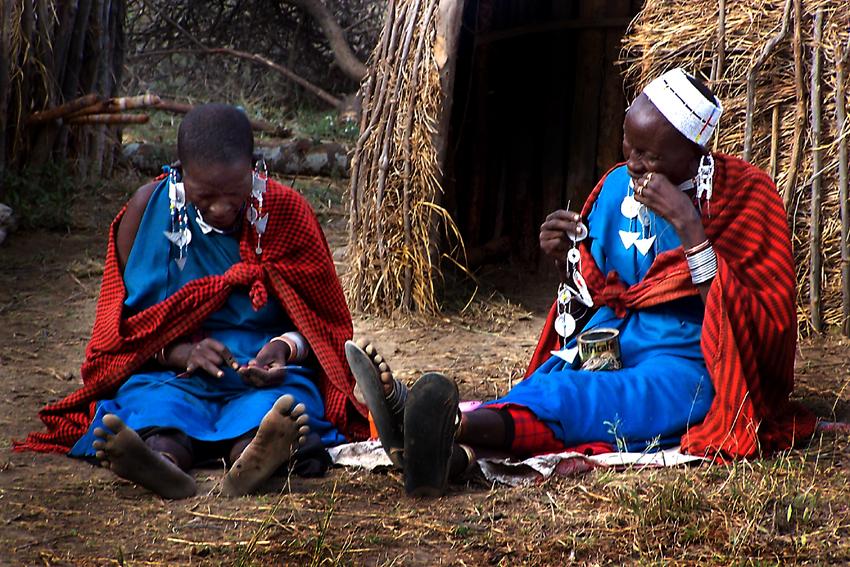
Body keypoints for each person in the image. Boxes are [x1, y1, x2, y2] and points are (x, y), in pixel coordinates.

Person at [346, 68, 816, 497]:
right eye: (628, 146)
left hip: (694, 363)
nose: (631, 163)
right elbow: (594, 289)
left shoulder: (746, 196)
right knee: (545, 388)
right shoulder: (616, 187)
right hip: (615, 341)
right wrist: (566, 256)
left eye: (648, 155)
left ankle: (437, 424)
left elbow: (765, 328)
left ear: (695, 153)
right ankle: (447, 448)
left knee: (580, 399)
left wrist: (692, 230)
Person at [15, 103, 367, 498]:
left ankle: (252, 458)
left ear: (254, 167)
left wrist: (284, 348)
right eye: (204, 196)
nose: (219, 209)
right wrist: (183, 353)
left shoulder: (286, 212)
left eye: (234, 196)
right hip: (173, 376)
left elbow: (322, 324)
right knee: (156, 412)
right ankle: (160, 463)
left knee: (280, 411)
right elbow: (126, 330)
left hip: (265, 379)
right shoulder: (146, 212)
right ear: (179, 171)